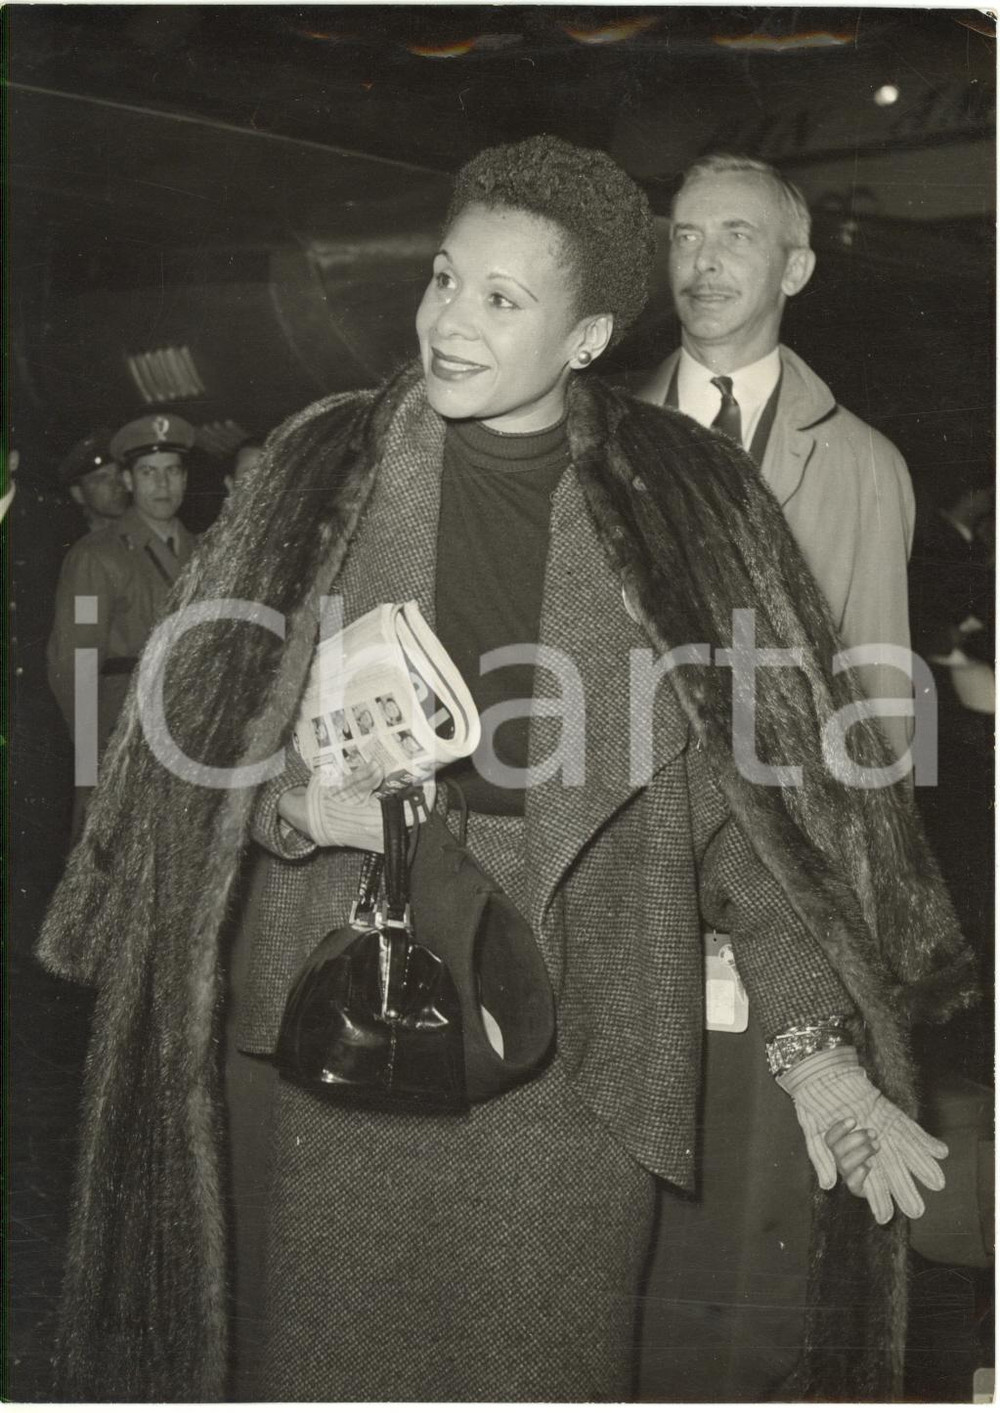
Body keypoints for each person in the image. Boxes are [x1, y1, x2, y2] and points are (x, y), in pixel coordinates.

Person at [37, 136, 974, 1404]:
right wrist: (298, 807)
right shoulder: (322, 466)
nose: (448, 322)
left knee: (540, 1363)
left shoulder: (684, 503)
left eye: (500, 299)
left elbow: (751, 817)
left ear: (587, 336)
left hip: (585, 1031)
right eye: (441, 278)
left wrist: (819, 1052)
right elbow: (186, 737)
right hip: (349, 997)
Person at [636, 154, 915, 768]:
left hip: (784, 823)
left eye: (737, 236)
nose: (703, 261)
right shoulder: (597, 430)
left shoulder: (865, 464)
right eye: (687, 236)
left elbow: (880, 690)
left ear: (795, 269)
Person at [46, 413, 198, 819]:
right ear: (128, 481)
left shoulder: (208, 551)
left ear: (185, 479)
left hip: (195, 741)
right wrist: (98, 759)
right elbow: (72, 665)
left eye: (172, 472)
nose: (162, 485)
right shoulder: (96, 556)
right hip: (122, 738)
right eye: (149, 473)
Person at [57, 430, 130, 534]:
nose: (118, 485)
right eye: (102, 478)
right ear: (78, 494)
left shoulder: (146, 529)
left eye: (119, 474)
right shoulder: (73, 545)